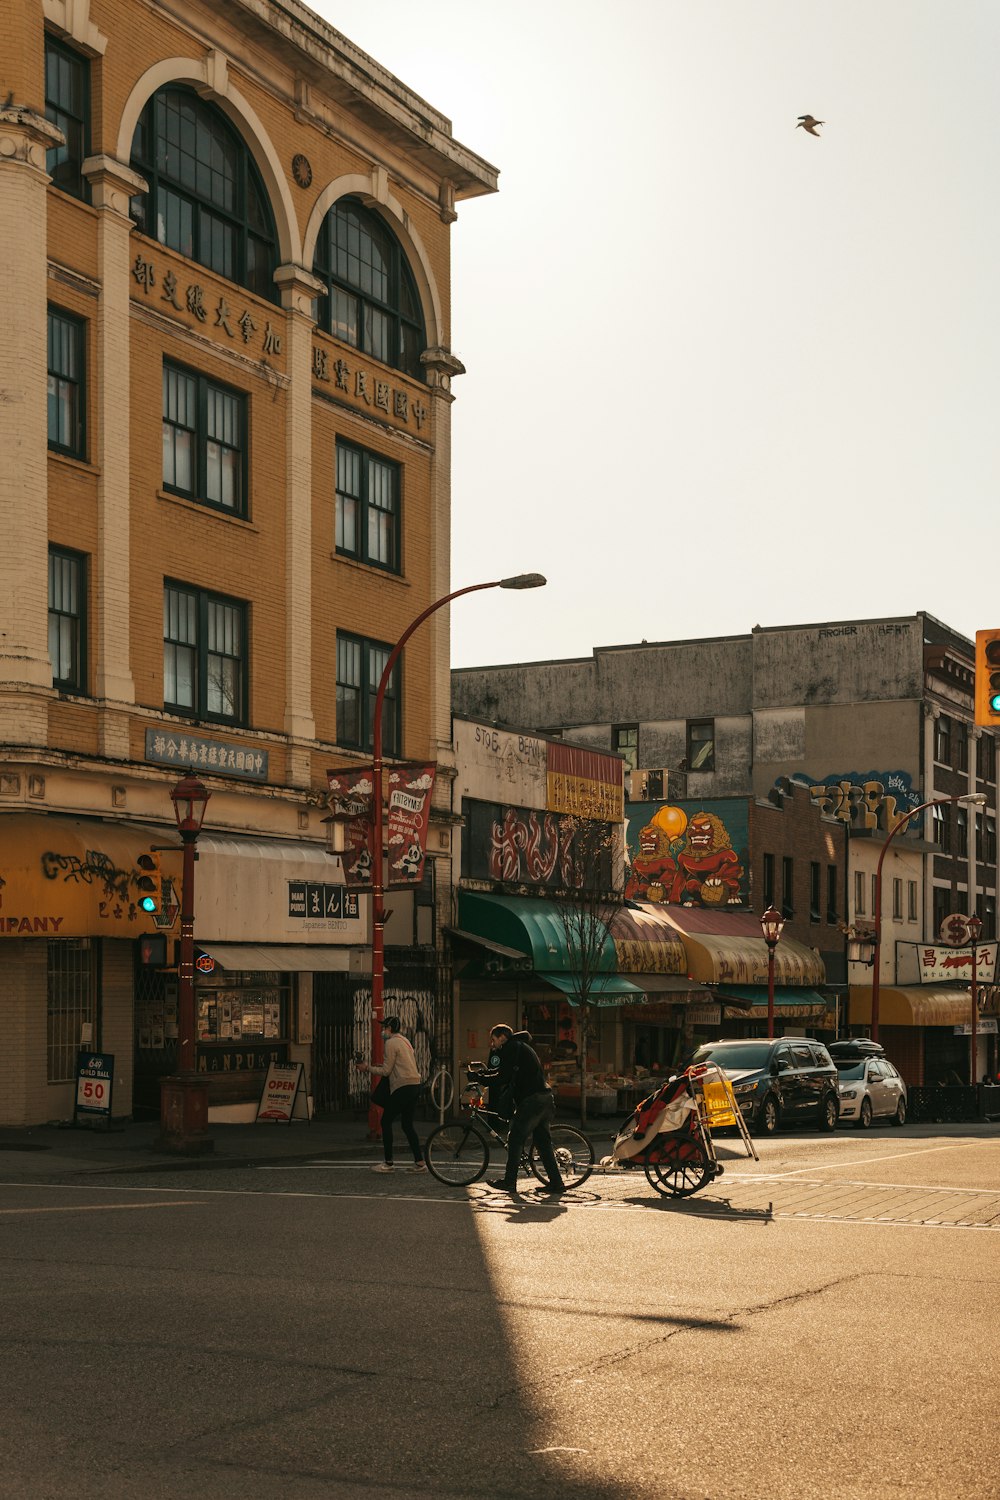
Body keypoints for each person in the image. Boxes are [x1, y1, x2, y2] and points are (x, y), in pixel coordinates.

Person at [478, 1024, 567, 1196]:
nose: (493, 1044)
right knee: (543, 1143)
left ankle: (509, 1182)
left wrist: (481, 1078)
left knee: (515, 1137)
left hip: (532, 1101)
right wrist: (483, 1076)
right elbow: (503, 1072)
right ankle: (556, 1182)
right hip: (545, 1098)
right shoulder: (520, 1047)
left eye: (494, 1039)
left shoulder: (511, 1048)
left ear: (502, 1037)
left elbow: (502, 1077)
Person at [358, 1016, 426, 1174]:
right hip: (415, 1084)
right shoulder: (405, 1041)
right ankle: (420, 1162)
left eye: (384, 1028)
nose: (382, 1031)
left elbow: (386, 1071)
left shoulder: (390, 1043)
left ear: (389, 1028)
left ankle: (388, 1163)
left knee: (386, 1121)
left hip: (402, 1087)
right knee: (407, 1125)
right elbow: (397, 1065)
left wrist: (367, 1068)